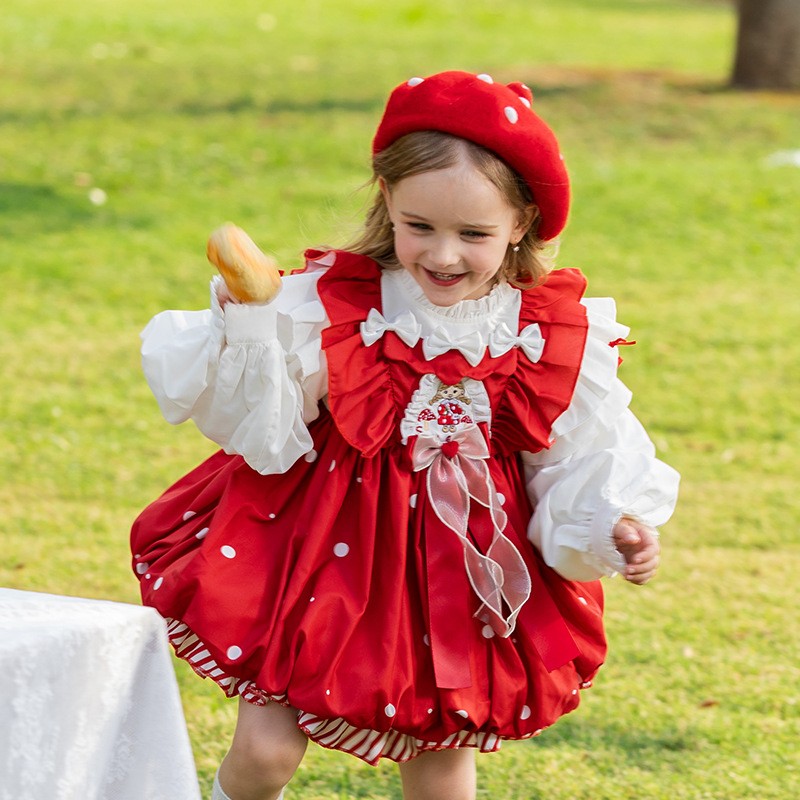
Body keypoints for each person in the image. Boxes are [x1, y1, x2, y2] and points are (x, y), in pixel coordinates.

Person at [131, 70, 680, 800]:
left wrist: (615, 520)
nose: (443, 255)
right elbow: (263, 423)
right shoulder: (337, 306)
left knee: (442, 763)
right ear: (388, 200)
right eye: (420, 226)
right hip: (323, 548)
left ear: (521, 223)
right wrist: (251, 327)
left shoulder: (544, 334)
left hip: (458, 573)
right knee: (265, 752)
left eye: (473, 234)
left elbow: (576, 448)